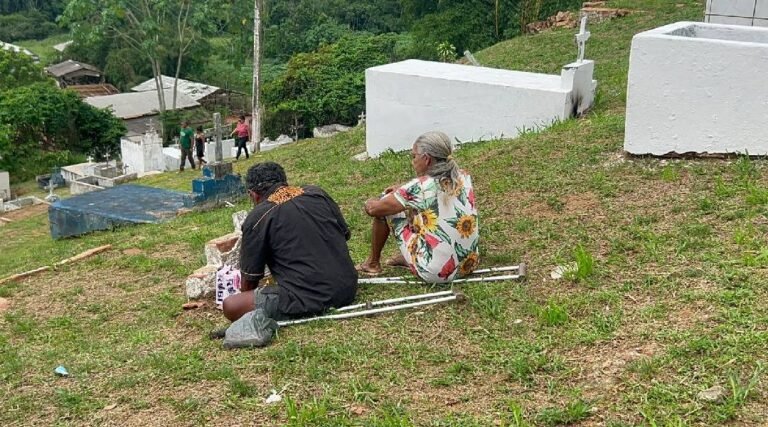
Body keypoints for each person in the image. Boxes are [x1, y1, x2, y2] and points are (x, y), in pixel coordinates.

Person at [219, 162, 358, 347]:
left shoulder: (258, 216)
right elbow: (344, 235)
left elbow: (250, 280)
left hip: (311, 298)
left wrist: (251, 302)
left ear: (253, 194)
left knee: (231, 305)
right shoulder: (317, 193)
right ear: (284, 182)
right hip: (348, 286)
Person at [358, 131, 479, 282]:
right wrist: (402, 189)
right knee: (421, 211)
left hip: (436, 273)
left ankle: (372, 263)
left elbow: (374, 209)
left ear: (426, 159)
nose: (412, 161)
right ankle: (412, 255)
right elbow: (427, 191)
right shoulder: (462, 176)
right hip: (468, 264)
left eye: (414, 156)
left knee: (386, 203)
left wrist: (370, 201)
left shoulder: (419, 188)